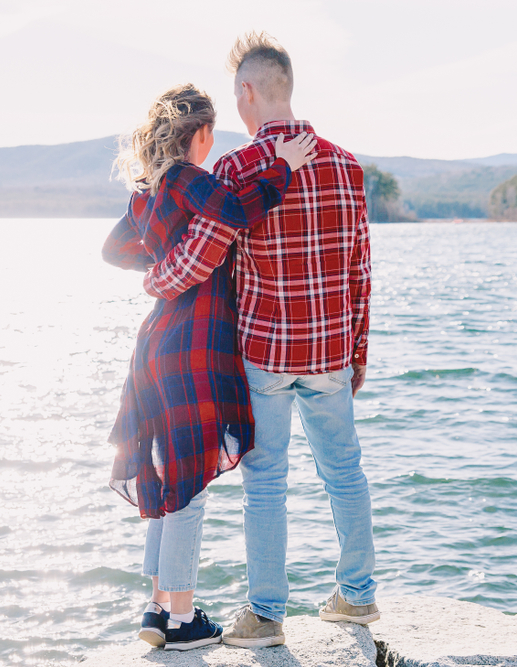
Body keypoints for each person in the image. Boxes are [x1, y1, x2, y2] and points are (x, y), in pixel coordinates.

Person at [143, 33, 378, 649]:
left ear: (248, 92)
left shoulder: (234, 169)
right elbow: (360, 269)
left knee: (265, 484)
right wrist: (357, 351)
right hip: (329, 350)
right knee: (345, 473)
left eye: (236, 95)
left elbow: (207, 257)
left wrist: (155, 282)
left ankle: (267, 616)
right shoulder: (347, 164)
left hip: (264, 352)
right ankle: (357, 597)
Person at [102, 83, 316, 651]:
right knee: (189, 485)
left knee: (167, 474)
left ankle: (155, 610)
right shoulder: (188, 179)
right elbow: (237, 211)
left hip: (154, 343)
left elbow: (114, 250)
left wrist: (162, 257)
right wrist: (281, 168)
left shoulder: (147, 191)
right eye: (211, 133)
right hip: (193, 345)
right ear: (199, 135)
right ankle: (181, 620)